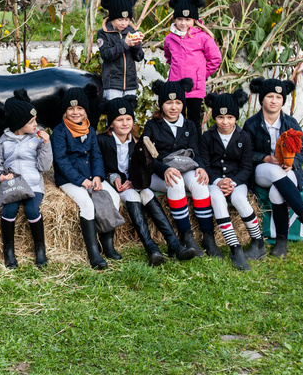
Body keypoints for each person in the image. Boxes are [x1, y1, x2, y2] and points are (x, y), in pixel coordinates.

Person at [97, 95, 196, 266]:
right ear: (111, 123)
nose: (125, 123)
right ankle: (151, 247)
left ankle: (174, 244)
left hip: (134, 182)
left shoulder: (138, 141)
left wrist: (136, 180)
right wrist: (114, 178)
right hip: (116, 186)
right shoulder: (102, 141)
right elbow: (100, 166)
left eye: (128, 119)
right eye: (119, 120)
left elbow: (148, 164)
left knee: (147, 193)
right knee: (133, 196)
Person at [243, 77, 303, 258]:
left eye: (278, 97)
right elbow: (246, 153)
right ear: (262, 99)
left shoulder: (290, 123)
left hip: (287, 170)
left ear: (283, 100)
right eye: (269, 96)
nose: (274, 101)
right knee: (273, 170)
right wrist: (265, 158)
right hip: (263, 170)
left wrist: (292, 163)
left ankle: (281, 242)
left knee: (276, 193)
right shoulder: (251, 124)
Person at [143, 79, 220, 258]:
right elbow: (147, 157)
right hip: (158, 172)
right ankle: (186, 236)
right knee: (176, 182)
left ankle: (208, 236)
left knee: (200, 183)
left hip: (184, 166)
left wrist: (201, 167)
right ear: (161, 104)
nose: (173, 107)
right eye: (168, 102)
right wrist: (164, 169)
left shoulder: (189, 125)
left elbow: (196, 151)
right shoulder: (152, 125)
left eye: (178, 102)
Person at [50, 86, 121, 269]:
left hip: (91, 174)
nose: (76, 112)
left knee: (113, 197)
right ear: (65, 111)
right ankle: (93, 252)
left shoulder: (90, 129)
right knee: (87, 204)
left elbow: (96, 155)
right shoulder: (59, 132)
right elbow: (61, 160)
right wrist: (80, 180)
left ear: (85, 110)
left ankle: (107, 244)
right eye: (71, 108)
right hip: (69, 178)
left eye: (80, 108)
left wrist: (97, 176)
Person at [199, 90, 267, 271]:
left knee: (238, 198)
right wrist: (217, 181)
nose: (225, 122)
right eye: (220, 117)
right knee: (216, 197)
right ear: (214, 117)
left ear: (235, 117)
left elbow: (247, 167)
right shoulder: (207, 137)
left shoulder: (243, 137)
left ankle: (258, 242)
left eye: (230, 117)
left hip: (237, 180)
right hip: (215, 181)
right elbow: (205, 164)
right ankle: (235, 247)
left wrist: (233, 182)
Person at [0, 89, 53, 269]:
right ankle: (9, 251)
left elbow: (44, 167)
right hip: (13, 185)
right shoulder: (4, 141)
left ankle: (40, 249)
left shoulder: (37, 139)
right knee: (8, 211)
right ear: (18, 123)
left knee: (32, 211)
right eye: (31, 121)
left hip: (32, 185)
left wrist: (46, 144)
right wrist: (1, 176)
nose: (36, 124)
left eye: (35, 120)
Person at [163, 0, 222, 134]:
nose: (183, 23)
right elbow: (169, 58)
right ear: (175, 19)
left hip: (195, 88)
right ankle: (179, 144)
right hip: (177, 87)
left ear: (194, 20)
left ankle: (196, 145)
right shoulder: (170, 38)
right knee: (177, 119)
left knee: (194, 119)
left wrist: (201, 75)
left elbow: (215, 59)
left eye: (187, 19)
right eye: (180, 19)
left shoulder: (203, 37)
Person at [97, 0, 145, 100]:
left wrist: (137, 44)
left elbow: (139, 57)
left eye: (127, 20)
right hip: (112, 84)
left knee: (129, 110)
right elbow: (106, 55)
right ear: (112, 18)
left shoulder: (132, 31)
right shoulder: (103, 33)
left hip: (130, 84)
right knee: (113, 109)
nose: (124, 23)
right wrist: (125, 44)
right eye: (120, 19)